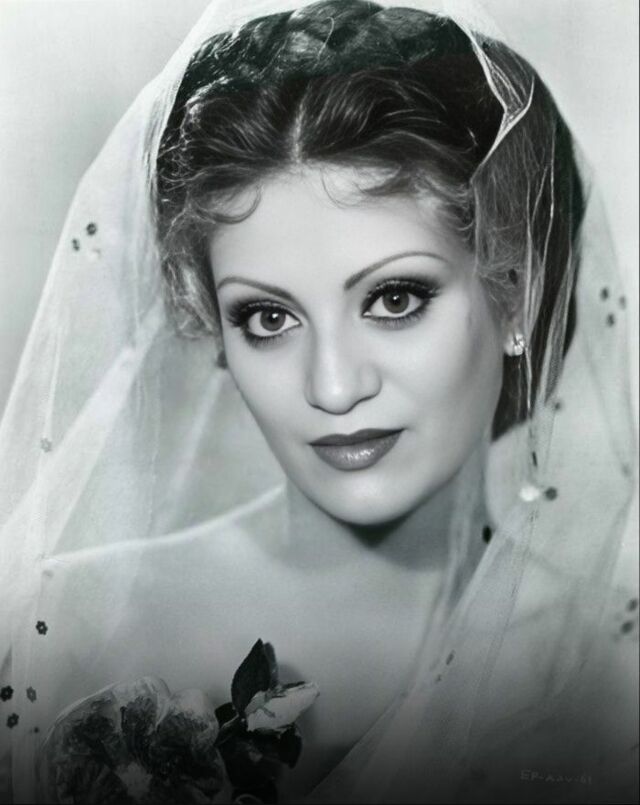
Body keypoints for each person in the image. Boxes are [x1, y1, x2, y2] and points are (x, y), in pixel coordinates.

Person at [0, 1, 636, 803]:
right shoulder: (64, 626)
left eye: (395, 299)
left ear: (515, 291)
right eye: (268, 317)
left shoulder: (611, 665)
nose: (333, 387)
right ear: (211, 320)